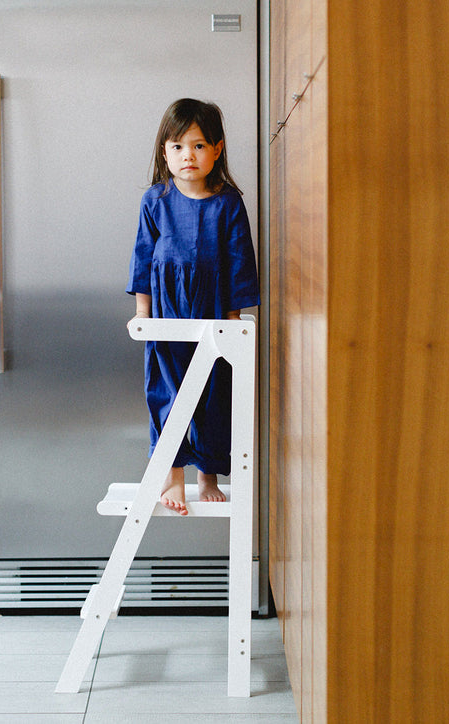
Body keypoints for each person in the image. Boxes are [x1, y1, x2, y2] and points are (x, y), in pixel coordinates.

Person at [126, 98, 260, 515]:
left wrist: (234, 320)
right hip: (167, 312)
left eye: (199, 146)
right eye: (179, 146)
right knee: (168, 389)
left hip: (214, 310)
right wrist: (143, 313)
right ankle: (174, 475)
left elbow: (240, 263)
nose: (189, 156)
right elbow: (143, 259)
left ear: (217, 150)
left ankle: (208, 472)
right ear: (164, 151)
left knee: (213, 392)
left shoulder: (228, 203)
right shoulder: (156, 200)